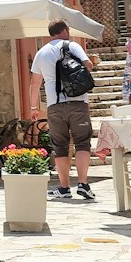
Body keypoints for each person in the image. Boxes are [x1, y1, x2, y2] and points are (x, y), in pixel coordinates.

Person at [29, 21, 99, 203]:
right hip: (78, 102)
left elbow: (35, 84)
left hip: (54, 106)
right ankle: (83, 184)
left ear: (50, 33)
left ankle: (64, 187)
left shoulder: (41, 53)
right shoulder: (72, 46)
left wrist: (34, 108)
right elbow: (88, 65)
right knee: (82, 143)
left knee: (60, 146)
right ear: (65, 31)